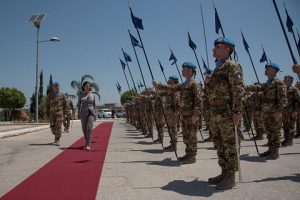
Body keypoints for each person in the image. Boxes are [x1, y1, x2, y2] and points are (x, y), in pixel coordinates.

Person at [206, 37, 244, 190]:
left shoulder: (232, 66)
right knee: (219, 144)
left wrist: (237, 111)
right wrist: (208, 84)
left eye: (218, 46)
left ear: (227, 49)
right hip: (215, 113)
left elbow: (238, 90)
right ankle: (224, 172)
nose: (214, 49)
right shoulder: (216, 69)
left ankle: (231, 177)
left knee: (230, 145)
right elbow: (211, 94)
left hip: (227, 112)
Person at [153, 61, 203, 164]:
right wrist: (158, 85)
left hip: (190, 115)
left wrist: (196, 114)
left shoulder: (194, 83)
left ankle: (192, 156)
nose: (181, 71)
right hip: (184, 114)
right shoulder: (184, 84)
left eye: (183, 69)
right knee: (186, 136)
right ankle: (188, 154)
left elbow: (199, 100)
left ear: (189, 70)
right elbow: (171, 88)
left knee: (191, 136)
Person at [247, 62, 287, 159]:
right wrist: (245, 87)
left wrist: (279, 111)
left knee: (275, 132)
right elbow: (258, 87)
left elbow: (283, 99)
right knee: (269, 132)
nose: (265, 70)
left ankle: (275, 152)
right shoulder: (268, 82)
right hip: (266, 112)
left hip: (274, 112)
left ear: (273, 70)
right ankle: (270, 150)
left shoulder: (279, 83)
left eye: (267, 69)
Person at [77, 81, 97, 151]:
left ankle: (88, 144)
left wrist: (95, 115)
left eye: (89, 86)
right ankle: (86, 141)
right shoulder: (81, 95)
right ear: (83, 87)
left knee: (89, 128)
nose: (88, 87)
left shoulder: (93, 95)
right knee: (84, 129)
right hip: (83, 113)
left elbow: (94, 106)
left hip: (91, 113)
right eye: (86, 86)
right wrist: (78, 113)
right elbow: (79, 105)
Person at [281, 75, 300, 146]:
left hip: (291, 111)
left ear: (290, 80)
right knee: (285, 126)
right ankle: (286, 139)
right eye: (284, 78)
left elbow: (298, 101)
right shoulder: (283, 89)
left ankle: (290, 141)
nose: (284, 79)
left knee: (291, 126)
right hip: (284, 111)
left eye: (286, 78)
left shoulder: (294, 89)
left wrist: (296, 111)